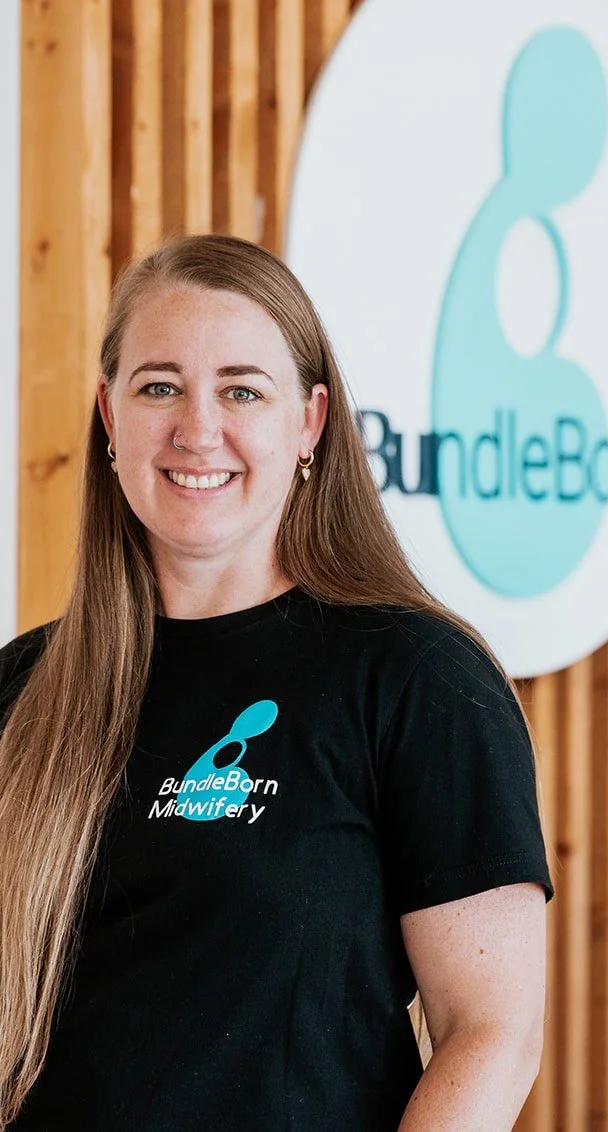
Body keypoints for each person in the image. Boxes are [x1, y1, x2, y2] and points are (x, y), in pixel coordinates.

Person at [0, 234, 552, 1132]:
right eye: (159, 387)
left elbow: (492, 1034)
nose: (197, 429)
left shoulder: (416, 678)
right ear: (109, 416)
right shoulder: (23, 688)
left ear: (309, 422)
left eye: (242, 390)